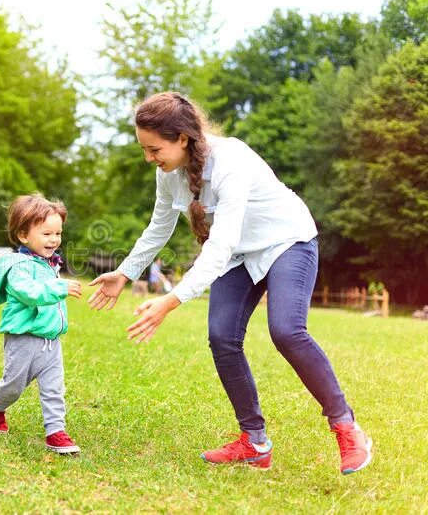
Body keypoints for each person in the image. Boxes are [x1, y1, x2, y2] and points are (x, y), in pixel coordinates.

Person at [88, 91, 372, 474]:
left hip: (285, 241)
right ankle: (254, 441)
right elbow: (159, 227)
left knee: (287, 330)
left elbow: (220, 244)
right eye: (144, 149)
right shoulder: (168, 174)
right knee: (222, 336)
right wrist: (125, 273)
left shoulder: (230, 160)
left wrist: (170, 301)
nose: (149, 158)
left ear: (182, 138)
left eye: (154, 149)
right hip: (238, 254)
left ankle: (346, 426)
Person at [0, 193, 83, 454]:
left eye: (58, 233)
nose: (55, 240)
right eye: (47, 234)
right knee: (14, 385)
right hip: (24, 337)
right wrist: (59, 287)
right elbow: (29, 292)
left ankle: (56, 432)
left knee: (54, 389)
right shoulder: (19, 266)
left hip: (51, 341)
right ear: (24, 236)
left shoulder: (49, 264)